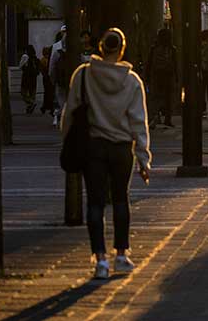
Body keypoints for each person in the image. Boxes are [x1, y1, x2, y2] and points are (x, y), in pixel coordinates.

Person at [61, 28, 151, 280]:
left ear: (101, 47)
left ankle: (100, 259)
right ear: (122, 49)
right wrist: (144, 158)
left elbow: (71, 111)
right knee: (121, 199)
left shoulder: (84, 75)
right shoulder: (132, 81)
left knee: (96, 202)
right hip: (122, 147)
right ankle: (121, 255)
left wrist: (65, 137)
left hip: (93, 146)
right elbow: (138, 121)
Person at [146, 28, 178, 128]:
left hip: (156, 75)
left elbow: (149, 63)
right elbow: (175, 64)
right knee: (168, 98)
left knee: (156, 97)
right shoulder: (172, 49)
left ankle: (155, 117)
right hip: (168, 75)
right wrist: (176, 76)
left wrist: (147, 76)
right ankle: (168, 119)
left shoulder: (154, 48)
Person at [19, 43, 40, 115]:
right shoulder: (35, 58)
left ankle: (31, 103)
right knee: (32, 93)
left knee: (23, 93)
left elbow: (20, 66)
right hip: (33, 78)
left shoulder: (25, 56)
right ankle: (29, 108)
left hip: (26, 77)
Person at [40, 46, 56, 115]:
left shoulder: (43, 60)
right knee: (50, 92)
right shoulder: (48, 59)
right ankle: (49, 106)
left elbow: (42, 69)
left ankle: (46, 106)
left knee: (47, 92)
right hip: (49, 78)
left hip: (46, 78)